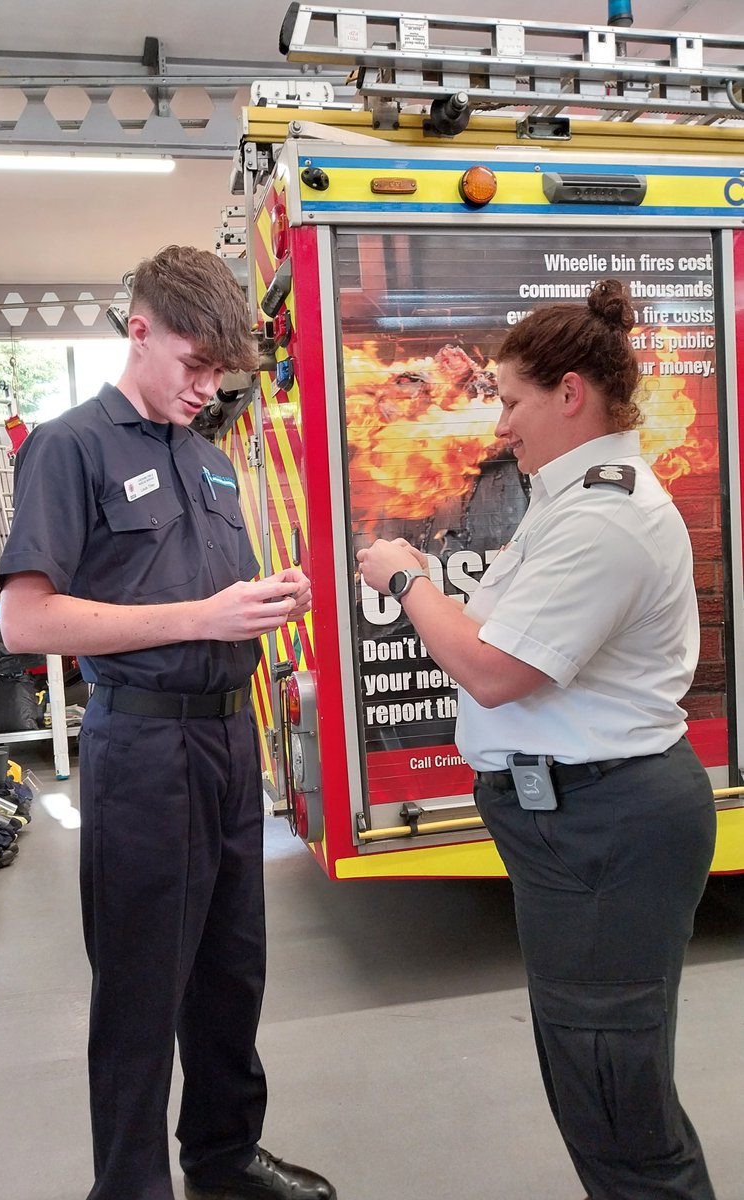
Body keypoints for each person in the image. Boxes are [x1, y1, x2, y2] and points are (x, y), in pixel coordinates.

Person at [358, 279, 716, 1200]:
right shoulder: (568, 506)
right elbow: (497, 634)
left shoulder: (604, 517)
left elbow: (492, 670)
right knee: (593, 1082)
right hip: (575, 830)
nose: (501, 425)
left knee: (614, 1097)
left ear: (569, 394)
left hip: (606, 827)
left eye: (511, 402)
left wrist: (406, 584)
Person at [0, 246, 336, 1200]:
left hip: (228, 740)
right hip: (143, 748)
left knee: (233, 971)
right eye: (194, 366)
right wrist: (200, 619)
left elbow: (208, 592)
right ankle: (132, 1186)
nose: (205, 388)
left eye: (219, 373)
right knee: (143, 989)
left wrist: (269, 599)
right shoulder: (68, 447)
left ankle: (223, 1158)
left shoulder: (212, 461)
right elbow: (28, 619)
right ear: (137, 329)